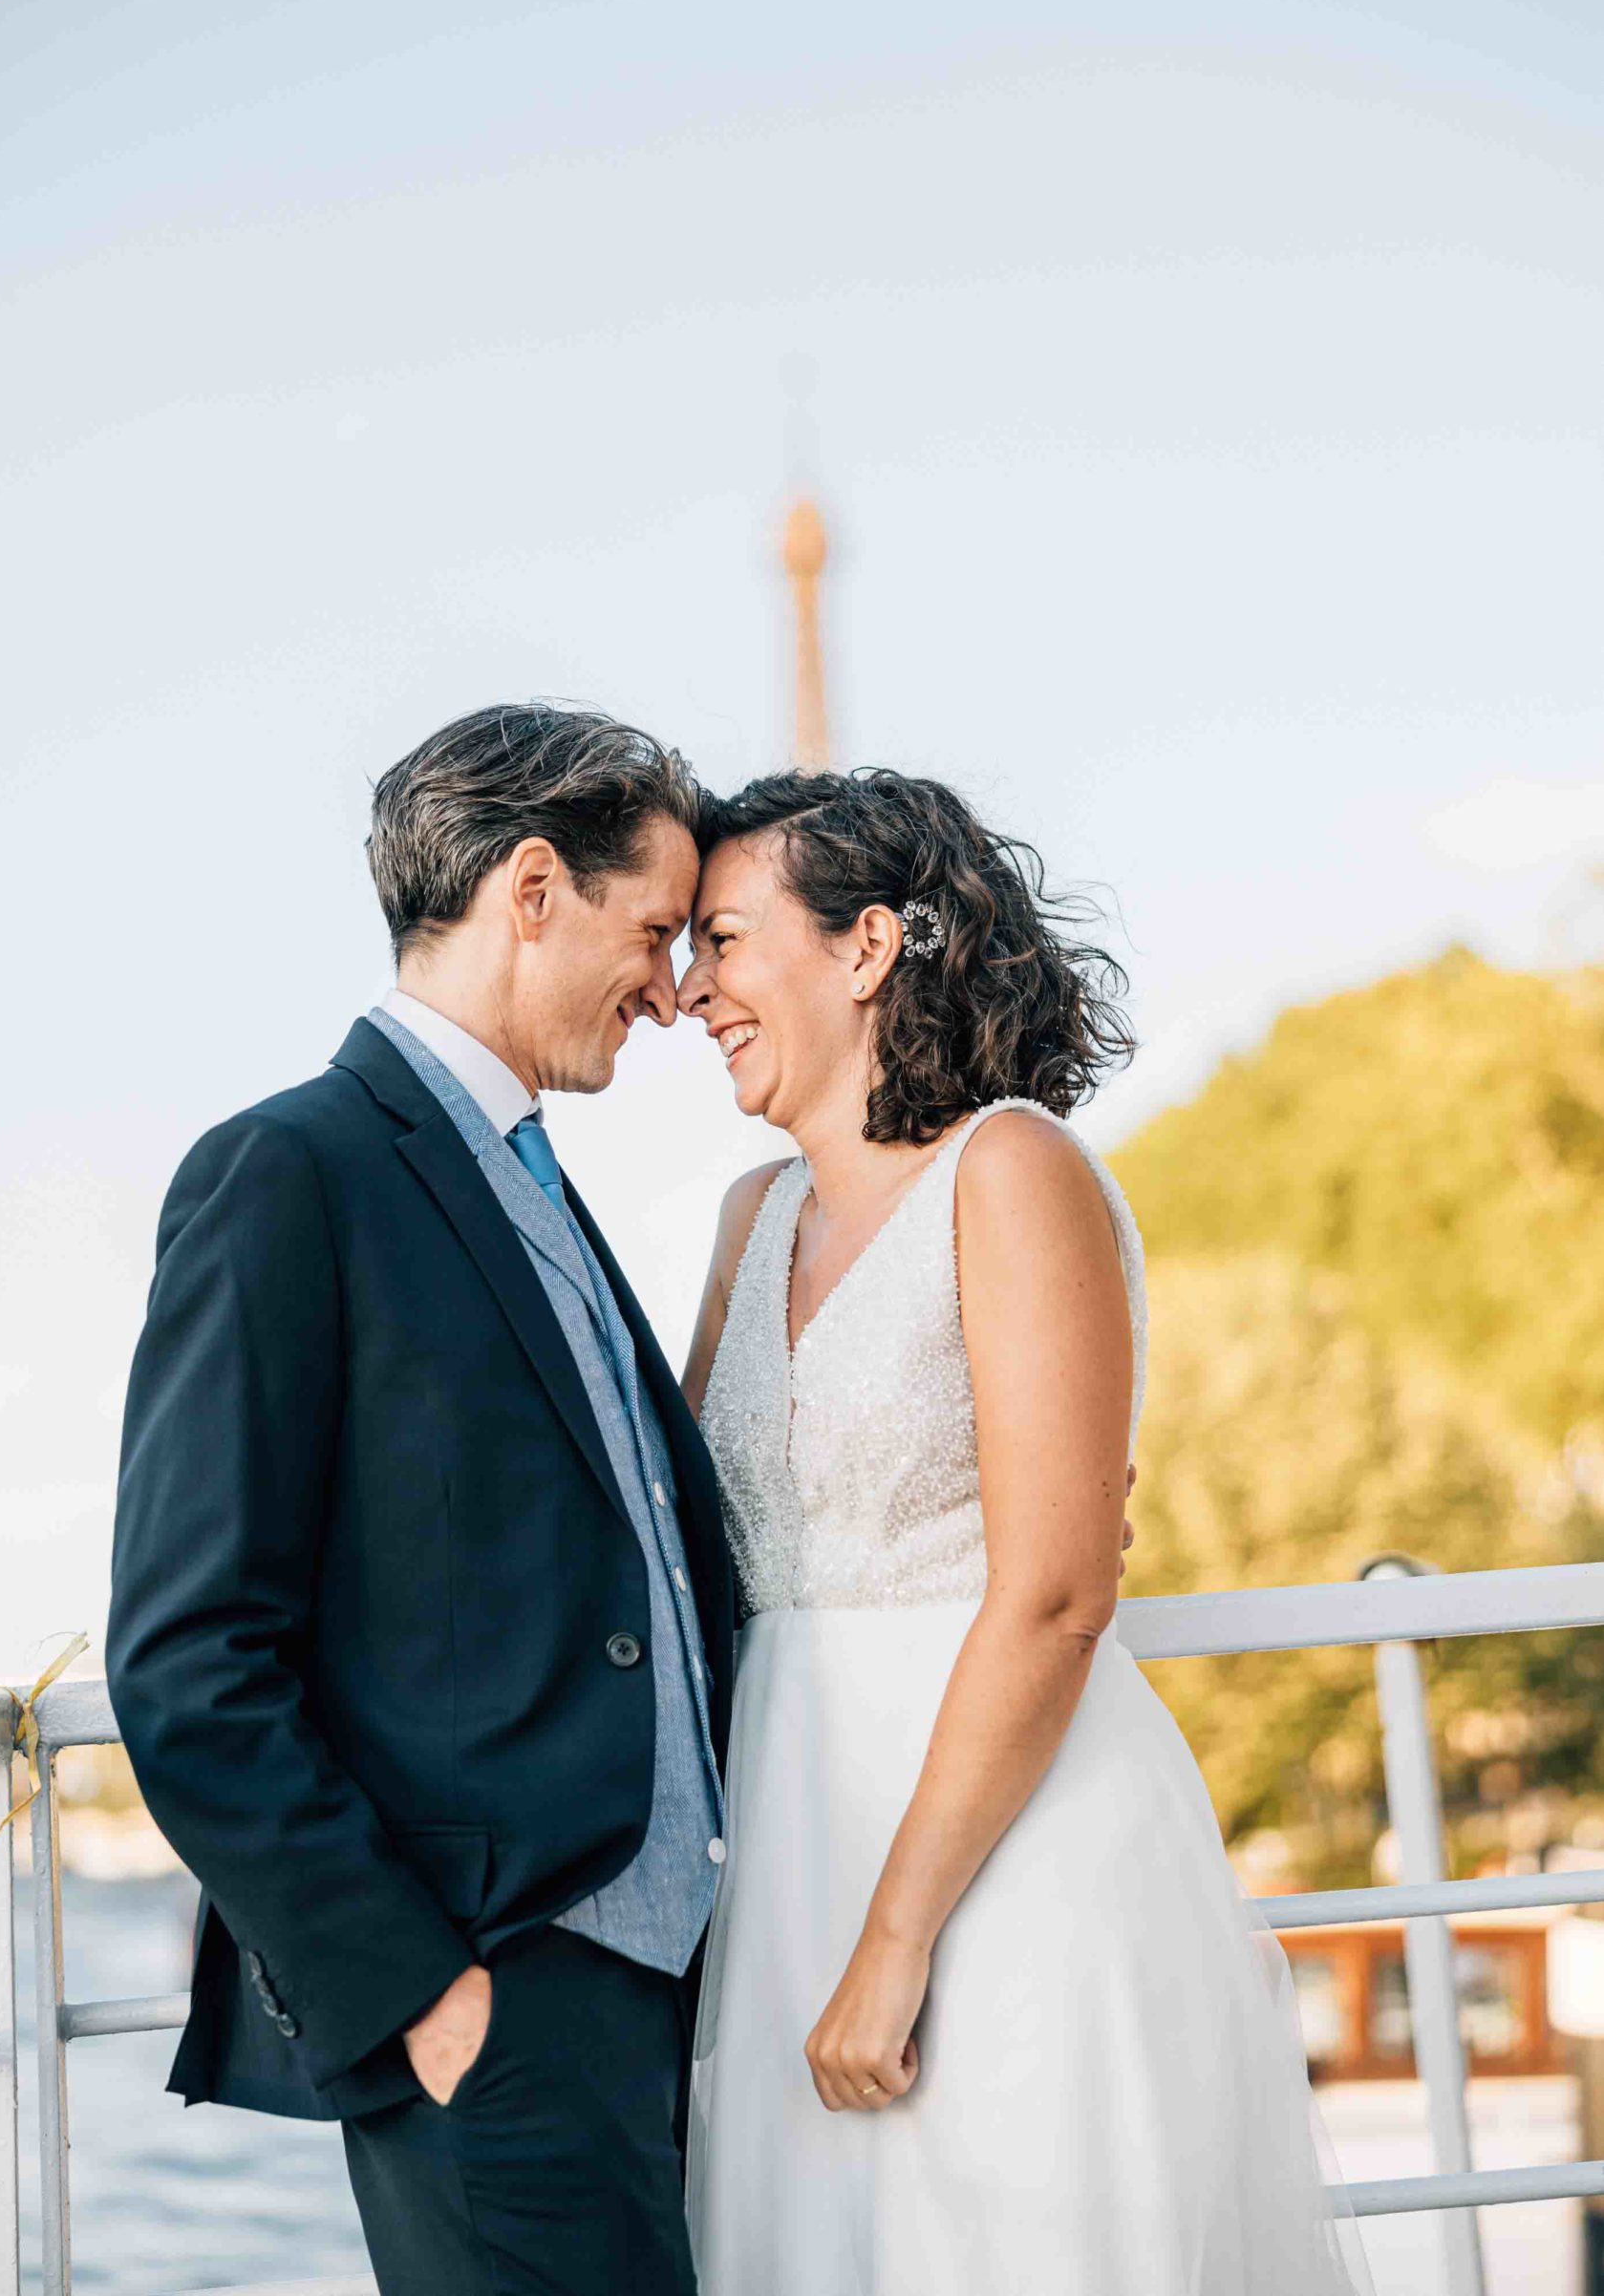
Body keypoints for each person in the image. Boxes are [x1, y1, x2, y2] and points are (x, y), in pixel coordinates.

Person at [675, 767, 1375, 2296]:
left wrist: (896, 1937)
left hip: (1003, 1857)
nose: (688, 990)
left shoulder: (1012, 1172)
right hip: (793, 1848)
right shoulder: (748, 1220)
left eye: (725, 940)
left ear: (865, 949)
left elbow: (1057, 1592)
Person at [106, 703, 734, 2296]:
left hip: (661, 1995)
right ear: (534, 888)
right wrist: (413, 1993)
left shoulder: (532, 1178)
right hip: (488, 1997)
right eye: (653, 929)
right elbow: (187, 1661)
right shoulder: (289, 1173)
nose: (669, 992)